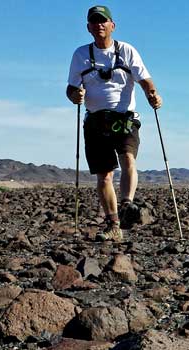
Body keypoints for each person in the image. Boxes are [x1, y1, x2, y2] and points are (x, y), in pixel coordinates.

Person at [66, 5, 162, 242]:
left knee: (127, 157)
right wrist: (74, 96)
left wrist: (152, 94)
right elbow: (70, 88)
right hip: (96, 120)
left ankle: (127, 204)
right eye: (94, 21)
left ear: (112, 25)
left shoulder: (127, 51)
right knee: (104, 175)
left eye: (103, 21)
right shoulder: (80, 55)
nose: (99, 25)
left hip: (124, 118)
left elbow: (144, 79)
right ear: (88, 27)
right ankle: (113, 225)